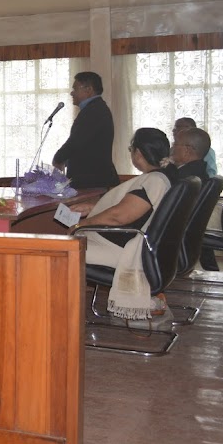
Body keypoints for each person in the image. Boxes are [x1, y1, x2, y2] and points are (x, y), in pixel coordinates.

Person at [68, 128, 173, 323]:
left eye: (131, 149)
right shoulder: (163, 177)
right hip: (138, 246)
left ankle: (62, 314)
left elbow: (119, 217)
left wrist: (82, 224)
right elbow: (133, 207)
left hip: (124, 251)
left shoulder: (154, 181)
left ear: (138, 153)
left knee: (58, 250)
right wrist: (93, 207)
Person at [52, 72, 119, 189]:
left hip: (92, 181)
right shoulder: (95, 108)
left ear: (88, 90)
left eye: (75, 89)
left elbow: (76, 141)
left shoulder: (94, 111)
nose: (72, 93)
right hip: (92, 180)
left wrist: (58, 158)